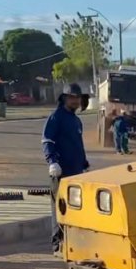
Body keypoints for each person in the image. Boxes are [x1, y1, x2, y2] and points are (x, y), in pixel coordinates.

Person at [42, 82, 89, 253]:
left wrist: (84, 164)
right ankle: (57, 244)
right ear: (64, 98)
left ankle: (71, 243)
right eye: (72, 97)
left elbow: (78, 145)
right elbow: (47, 140)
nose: (75, 100)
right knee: (59, 208)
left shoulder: (76, 121)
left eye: (77, 97)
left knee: (74, 208)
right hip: (60, 171)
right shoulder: (56, 117)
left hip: (75, 172)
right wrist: (52, 161)